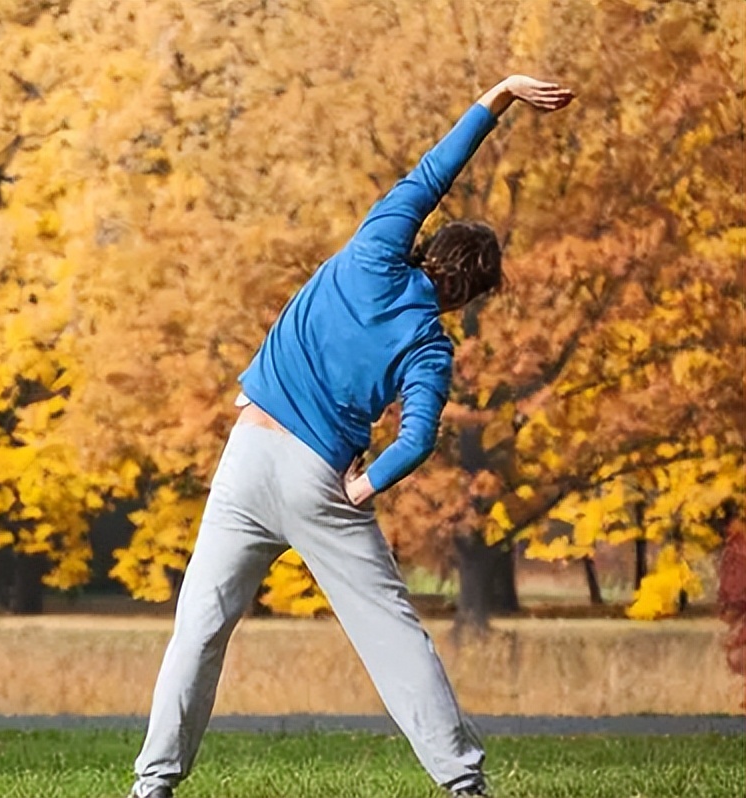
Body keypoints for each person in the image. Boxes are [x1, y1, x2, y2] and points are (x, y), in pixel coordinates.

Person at [128, 75, 575, 798]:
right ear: (468, 295)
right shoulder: (430, 345)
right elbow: (418, 439)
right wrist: (364, 487)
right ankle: (464, 784)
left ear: (428, 245)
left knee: (200, 630)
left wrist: (499, 95)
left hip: (245, 454)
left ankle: (152, 785)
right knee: (391, 633)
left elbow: (435, 169)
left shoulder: (374, 248)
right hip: (318, 478)